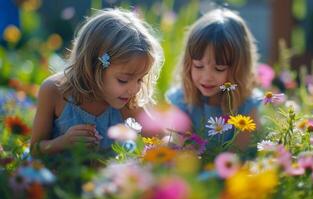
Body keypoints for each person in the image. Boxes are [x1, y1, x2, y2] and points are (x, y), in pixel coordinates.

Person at [30, 8, 163, 156]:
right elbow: (35, 150)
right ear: (94, 67)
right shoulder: (54, 91)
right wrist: (63, 142)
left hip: (107, 178)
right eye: (123, 80)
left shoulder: (127, 103)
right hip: (60, 175)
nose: (134, 89)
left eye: (140, 79)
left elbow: (161, 140)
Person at [166, 9, 261, 153]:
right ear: (188, 64)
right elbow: (185, 152)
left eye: (219, 68)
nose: (207, 77)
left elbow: (238, 156)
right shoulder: (182, 101)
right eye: (198, 66)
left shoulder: (247, 106)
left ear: (239, 69)